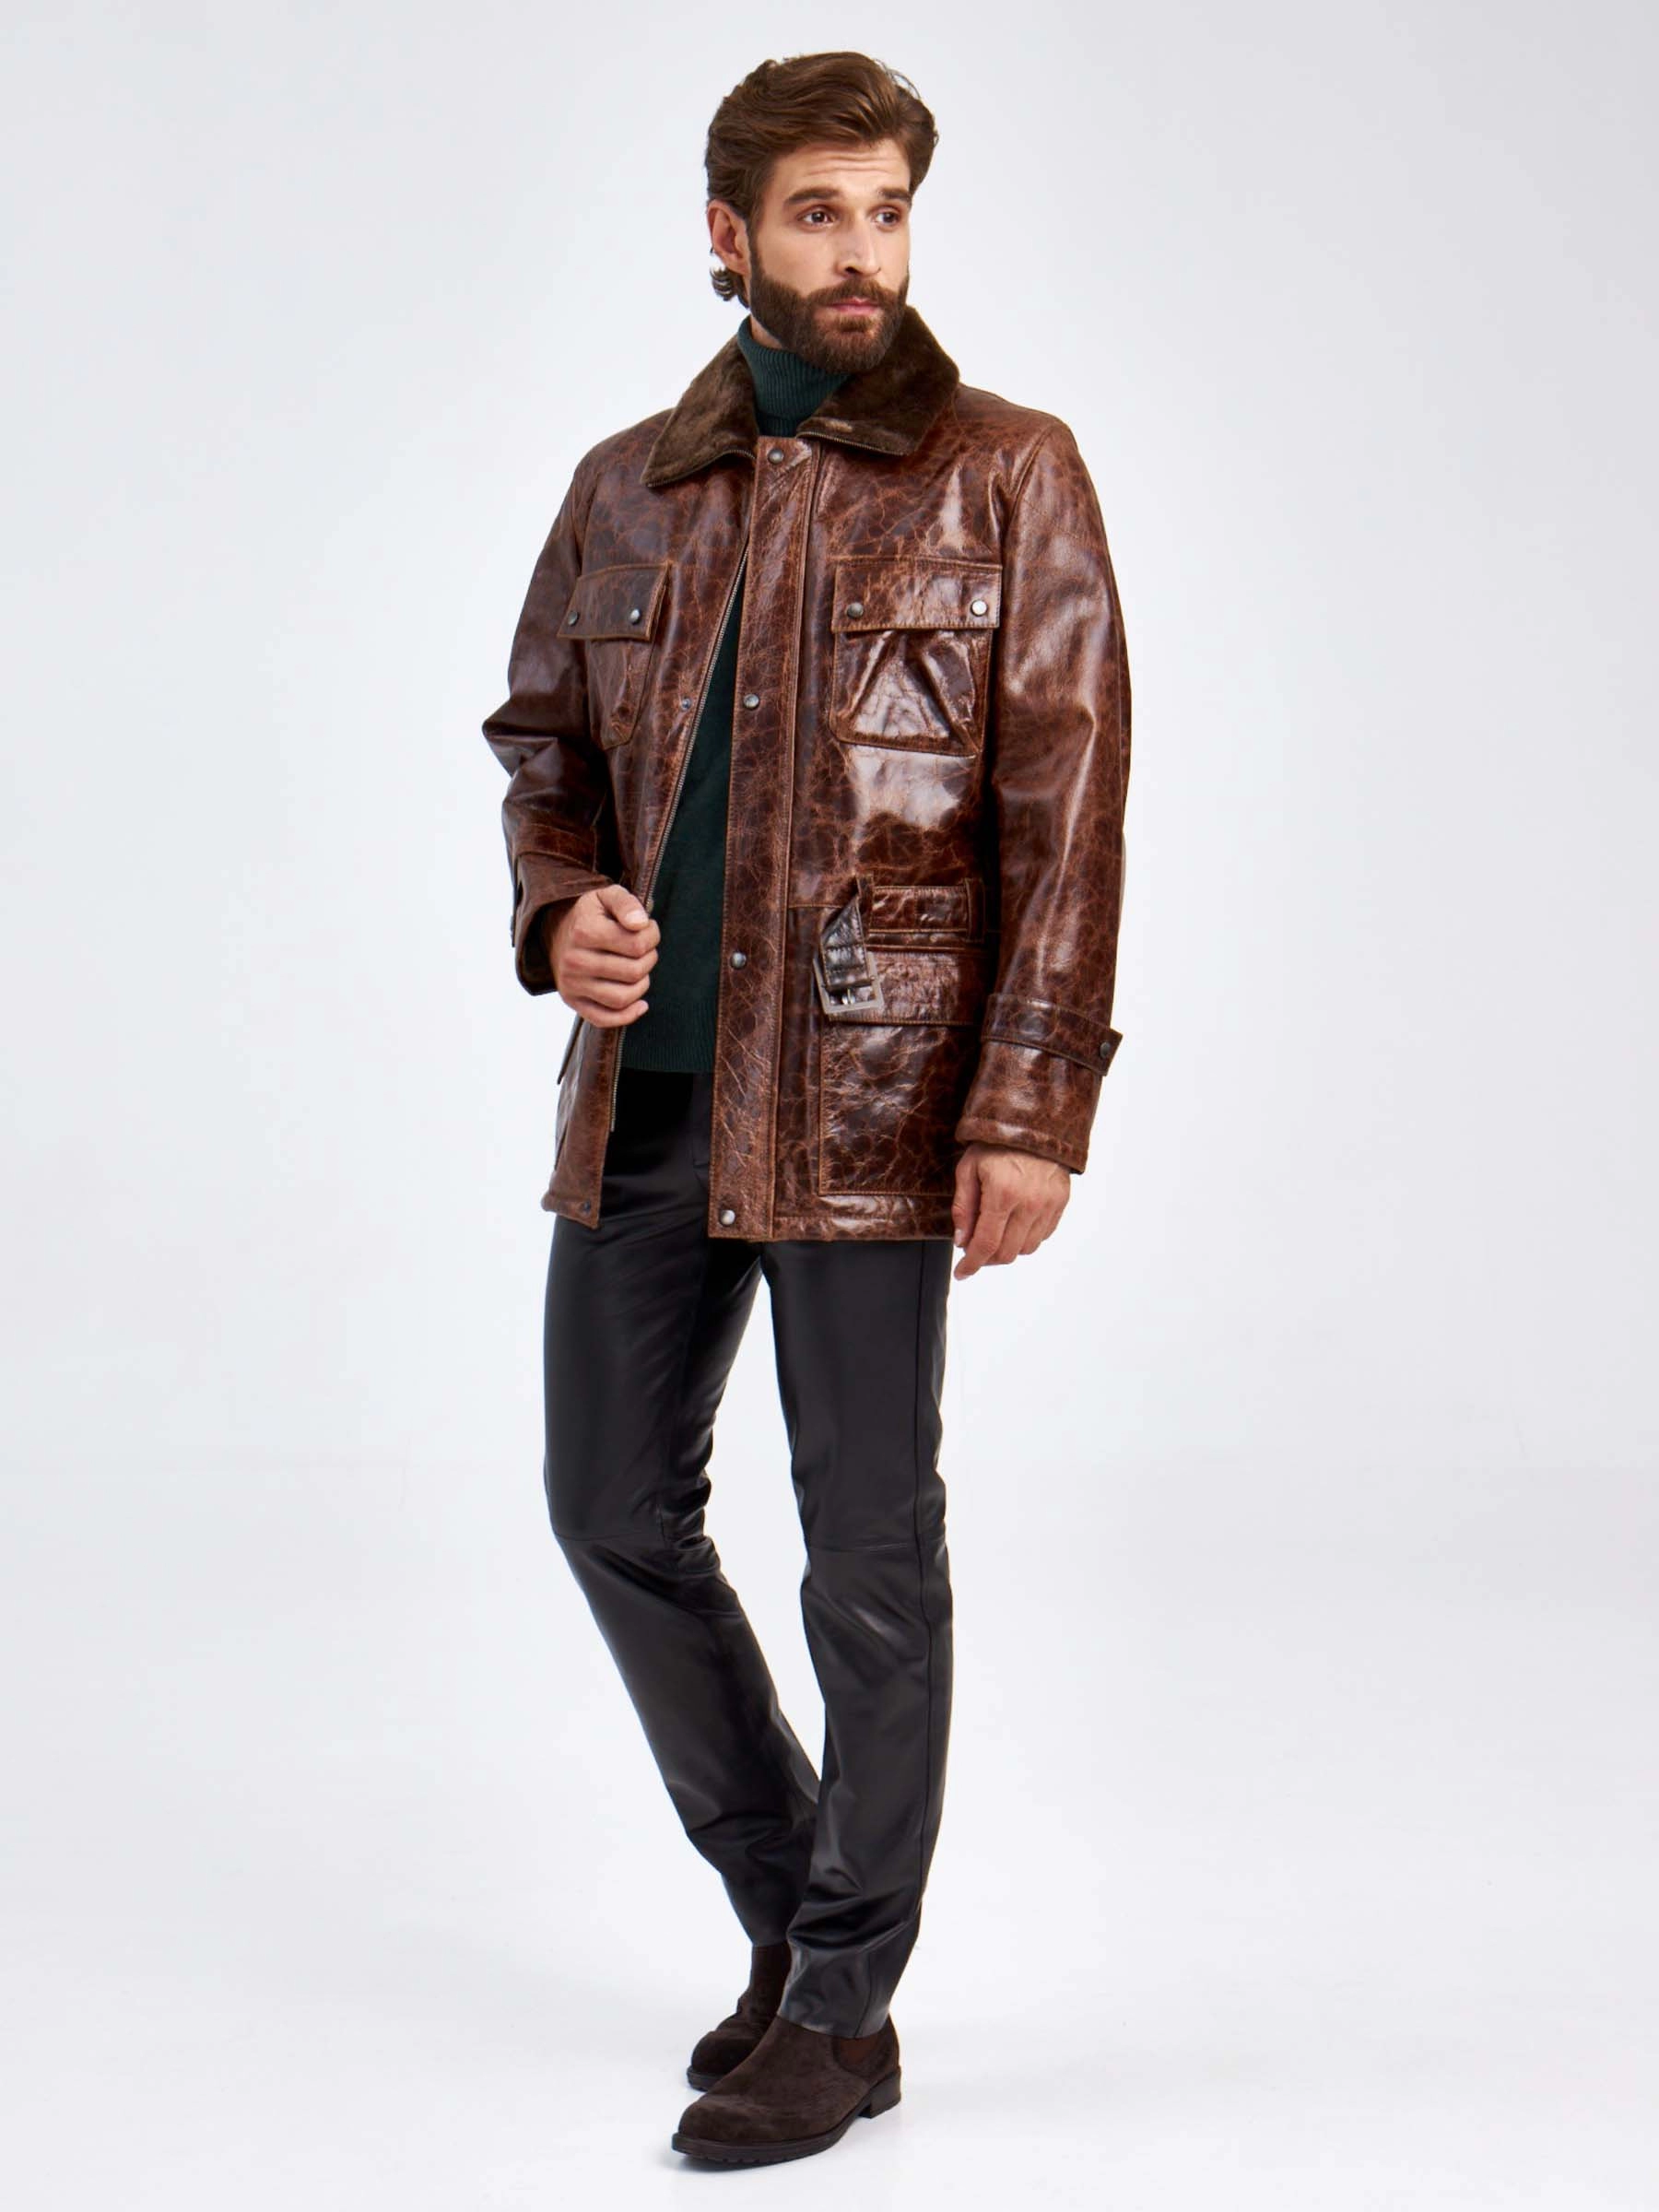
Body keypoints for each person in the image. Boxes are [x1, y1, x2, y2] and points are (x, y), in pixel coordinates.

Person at [480, 49, 1132, 2168]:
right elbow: (545, 745)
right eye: (820, 213)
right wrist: (561, 908)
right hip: (649, 1100)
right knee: (610, 1508)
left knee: (867, 1554)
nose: (862, 253)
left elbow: (1066, 805)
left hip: (875, 1096)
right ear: (730, 236)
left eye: (888, 212)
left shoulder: (1008, 471)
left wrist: (1030, 1102)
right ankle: (799, 1918)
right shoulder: (625, 486)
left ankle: (839, 2009)